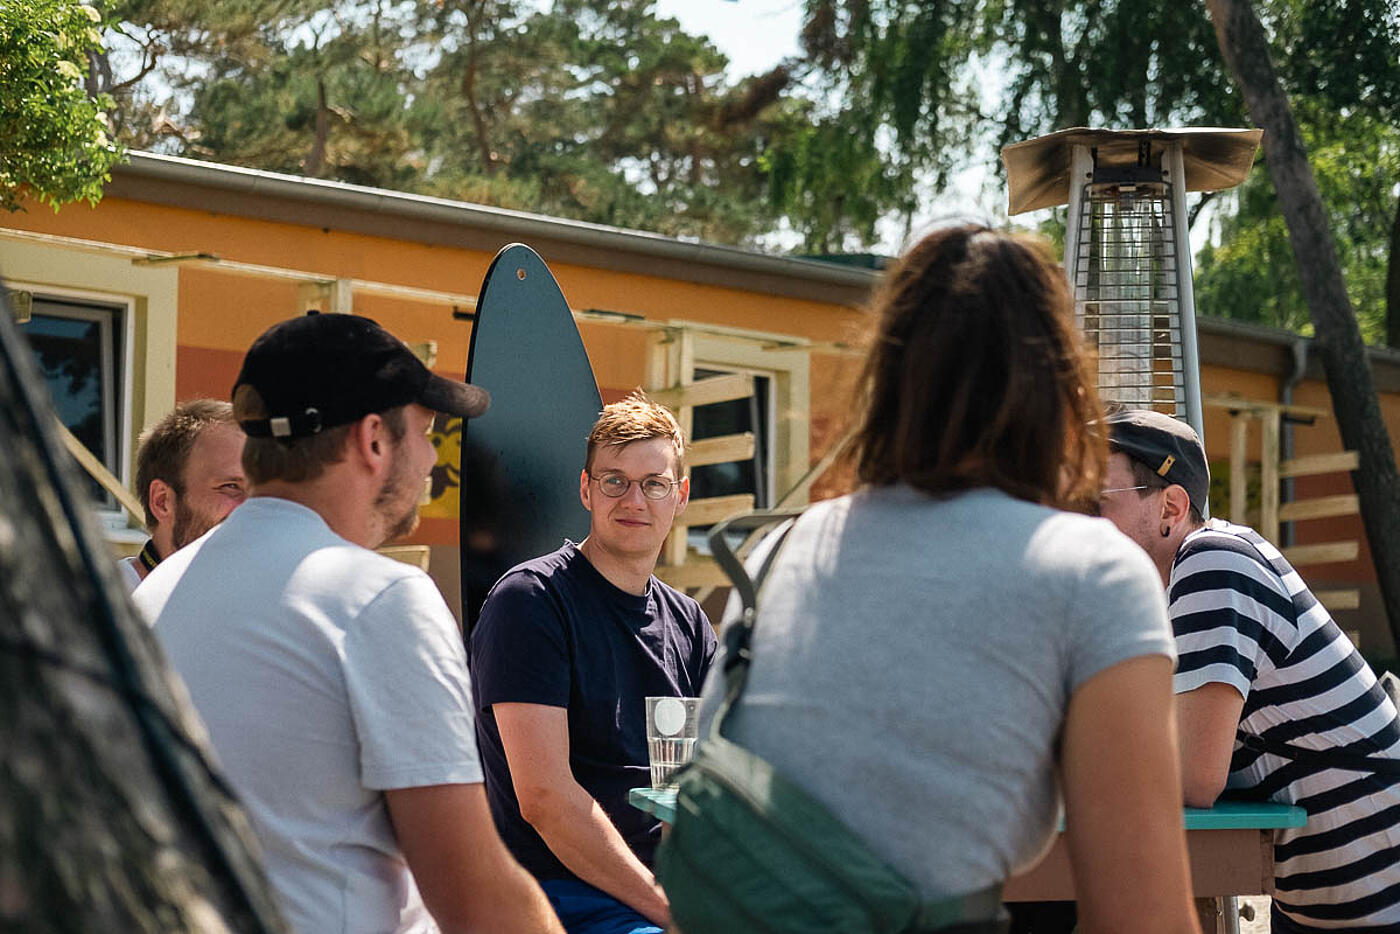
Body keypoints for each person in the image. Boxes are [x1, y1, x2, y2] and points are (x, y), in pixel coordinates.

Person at [690, 225, 1200, 933]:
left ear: (887, 383)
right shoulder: (1093, 572)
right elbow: (1144, 922)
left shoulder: (777, 551)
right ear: (1060, 390)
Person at [135, 312, 563, 934]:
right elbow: (478, 901)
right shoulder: (380, 600)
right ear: (373, 440)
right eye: (426, 434)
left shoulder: (155, 593)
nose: (430, 464)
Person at [1099, 408, 1400, 932]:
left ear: (1171, 505)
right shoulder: (1186, 584)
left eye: (1094, 502)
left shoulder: (1211, 561)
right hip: (1328, 906)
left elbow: (1193, 776)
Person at [469, 392, 716, 934]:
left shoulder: (690, 623)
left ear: (681, 497)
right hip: (560, 897)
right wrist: (671, 912)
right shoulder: (532, 600)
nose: (635, 499)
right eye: (614, 481)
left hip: (664, 889)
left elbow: (697, 787)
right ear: (586, 489)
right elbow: (545, 800)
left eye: (654, 483)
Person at [119, 398, 247, 590]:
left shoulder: (259, 604)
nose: (254, 507)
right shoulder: (98, 607)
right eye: (231, 486)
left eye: (260, 491)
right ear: (162, 501)